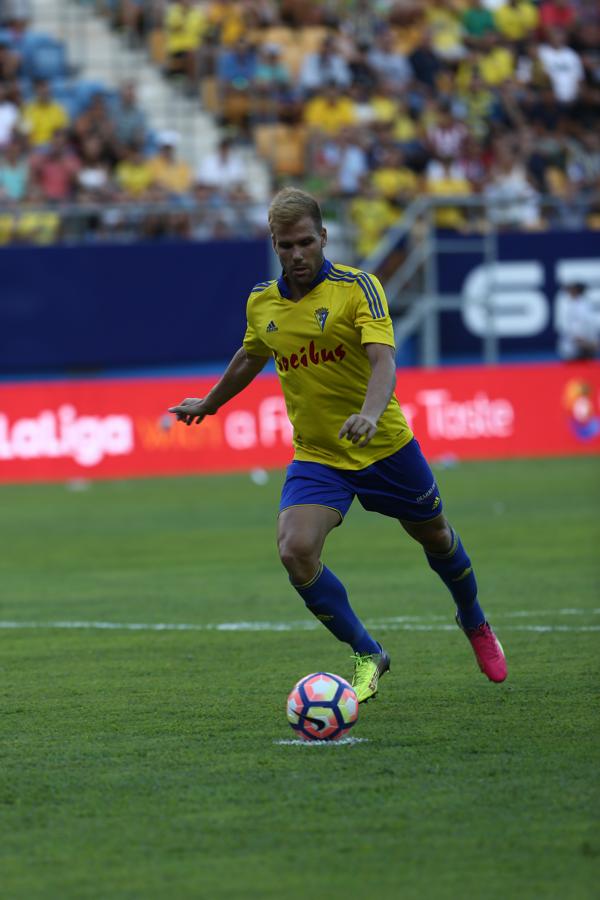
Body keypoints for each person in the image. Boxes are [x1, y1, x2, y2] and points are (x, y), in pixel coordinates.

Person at [168, 187, 507, 702]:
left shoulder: (358, 288)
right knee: (295, 550)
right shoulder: (263, 302)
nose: (298, 254)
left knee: (436, 537)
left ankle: (475, 620)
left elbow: (383, 360)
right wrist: (211, 403)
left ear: (324, 237)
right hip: (319, 455)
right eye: (286, 245)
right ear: (275, 245)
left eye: (306, 241)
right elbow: (249, 355)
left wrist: (370, 415)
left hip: (384, 446)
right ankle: (368, 652)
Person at [556, 282, 599, 361]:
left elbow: (590, 324)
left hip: (585, 346)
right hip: (576, 345)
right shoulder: (567, 304)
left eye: (572, 289)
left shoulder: (583, 304)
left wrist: (592, 341)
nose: (570, 292)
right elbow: (564, 326)